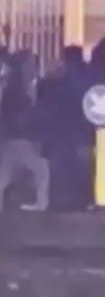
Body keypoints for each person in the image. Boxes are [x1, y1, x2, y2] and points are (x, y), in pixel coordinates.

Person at [39, 46, 92, 211]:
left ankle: (69, 199)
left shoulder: (63, 78)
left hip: (67, 128)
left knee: (68, 165)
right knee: (75, 165)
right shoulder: (83, 76)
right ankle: (78, 200)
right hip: (73, 128)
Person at [0, 51, 50, 212]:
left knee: (6, 174)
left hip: (16, 139)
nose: (35, 68)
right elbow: (18, 116)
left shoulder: (25, 87)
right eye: (31, 64)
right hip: (19, 139)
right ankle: (41, 203)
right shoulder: (16, 90)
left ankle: (40, 202)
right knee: (40, 169)